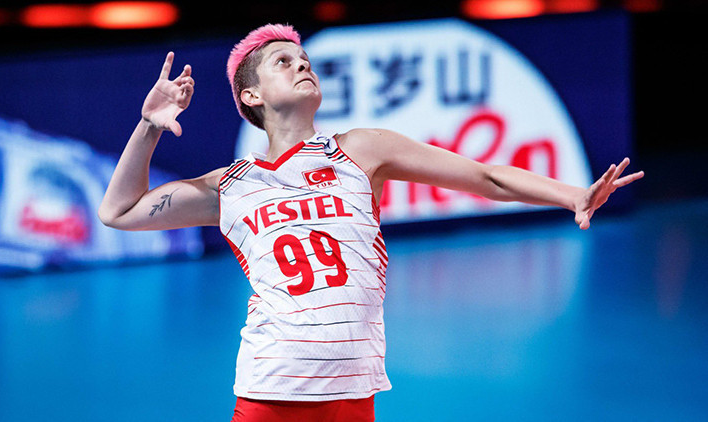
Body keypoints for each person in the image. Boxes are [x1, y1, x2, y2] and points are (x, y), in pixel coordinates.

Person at [98, 23, 643, 422]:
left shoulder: (360, 150)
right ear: (251, 96)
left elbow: (485, 176)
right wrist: (149, 126)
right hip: (271, 389)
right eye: (283, 62)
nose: (302, 65)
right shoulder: (231, 185)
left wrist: (573, 195)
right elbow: (118, 211)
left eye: (304, 58)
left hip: (354, 392)